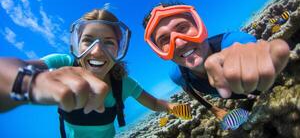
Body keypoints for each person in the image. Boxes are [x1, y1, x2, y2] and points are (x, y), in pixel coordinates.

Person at [0, 8, 181, 138]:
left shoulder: (124, 83)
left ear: (119, 49)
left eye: (108, 42)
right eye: (88, 41)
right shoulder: (61, 63)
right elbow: (13, 68)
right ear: (77, 46)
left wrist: (183, 109)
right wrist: (28, 83)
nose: (96, 52)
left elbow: (156, 103)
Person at [143, 2, 290, 99]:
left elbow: (244, 46)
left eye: (182, 28)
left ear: (200, 25)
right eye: (164, 40)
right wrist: (213, 109)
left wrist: (249, 53)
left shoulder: (231, 41)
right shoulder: (176, 75)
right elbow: (189, 90)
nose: (179, 43)